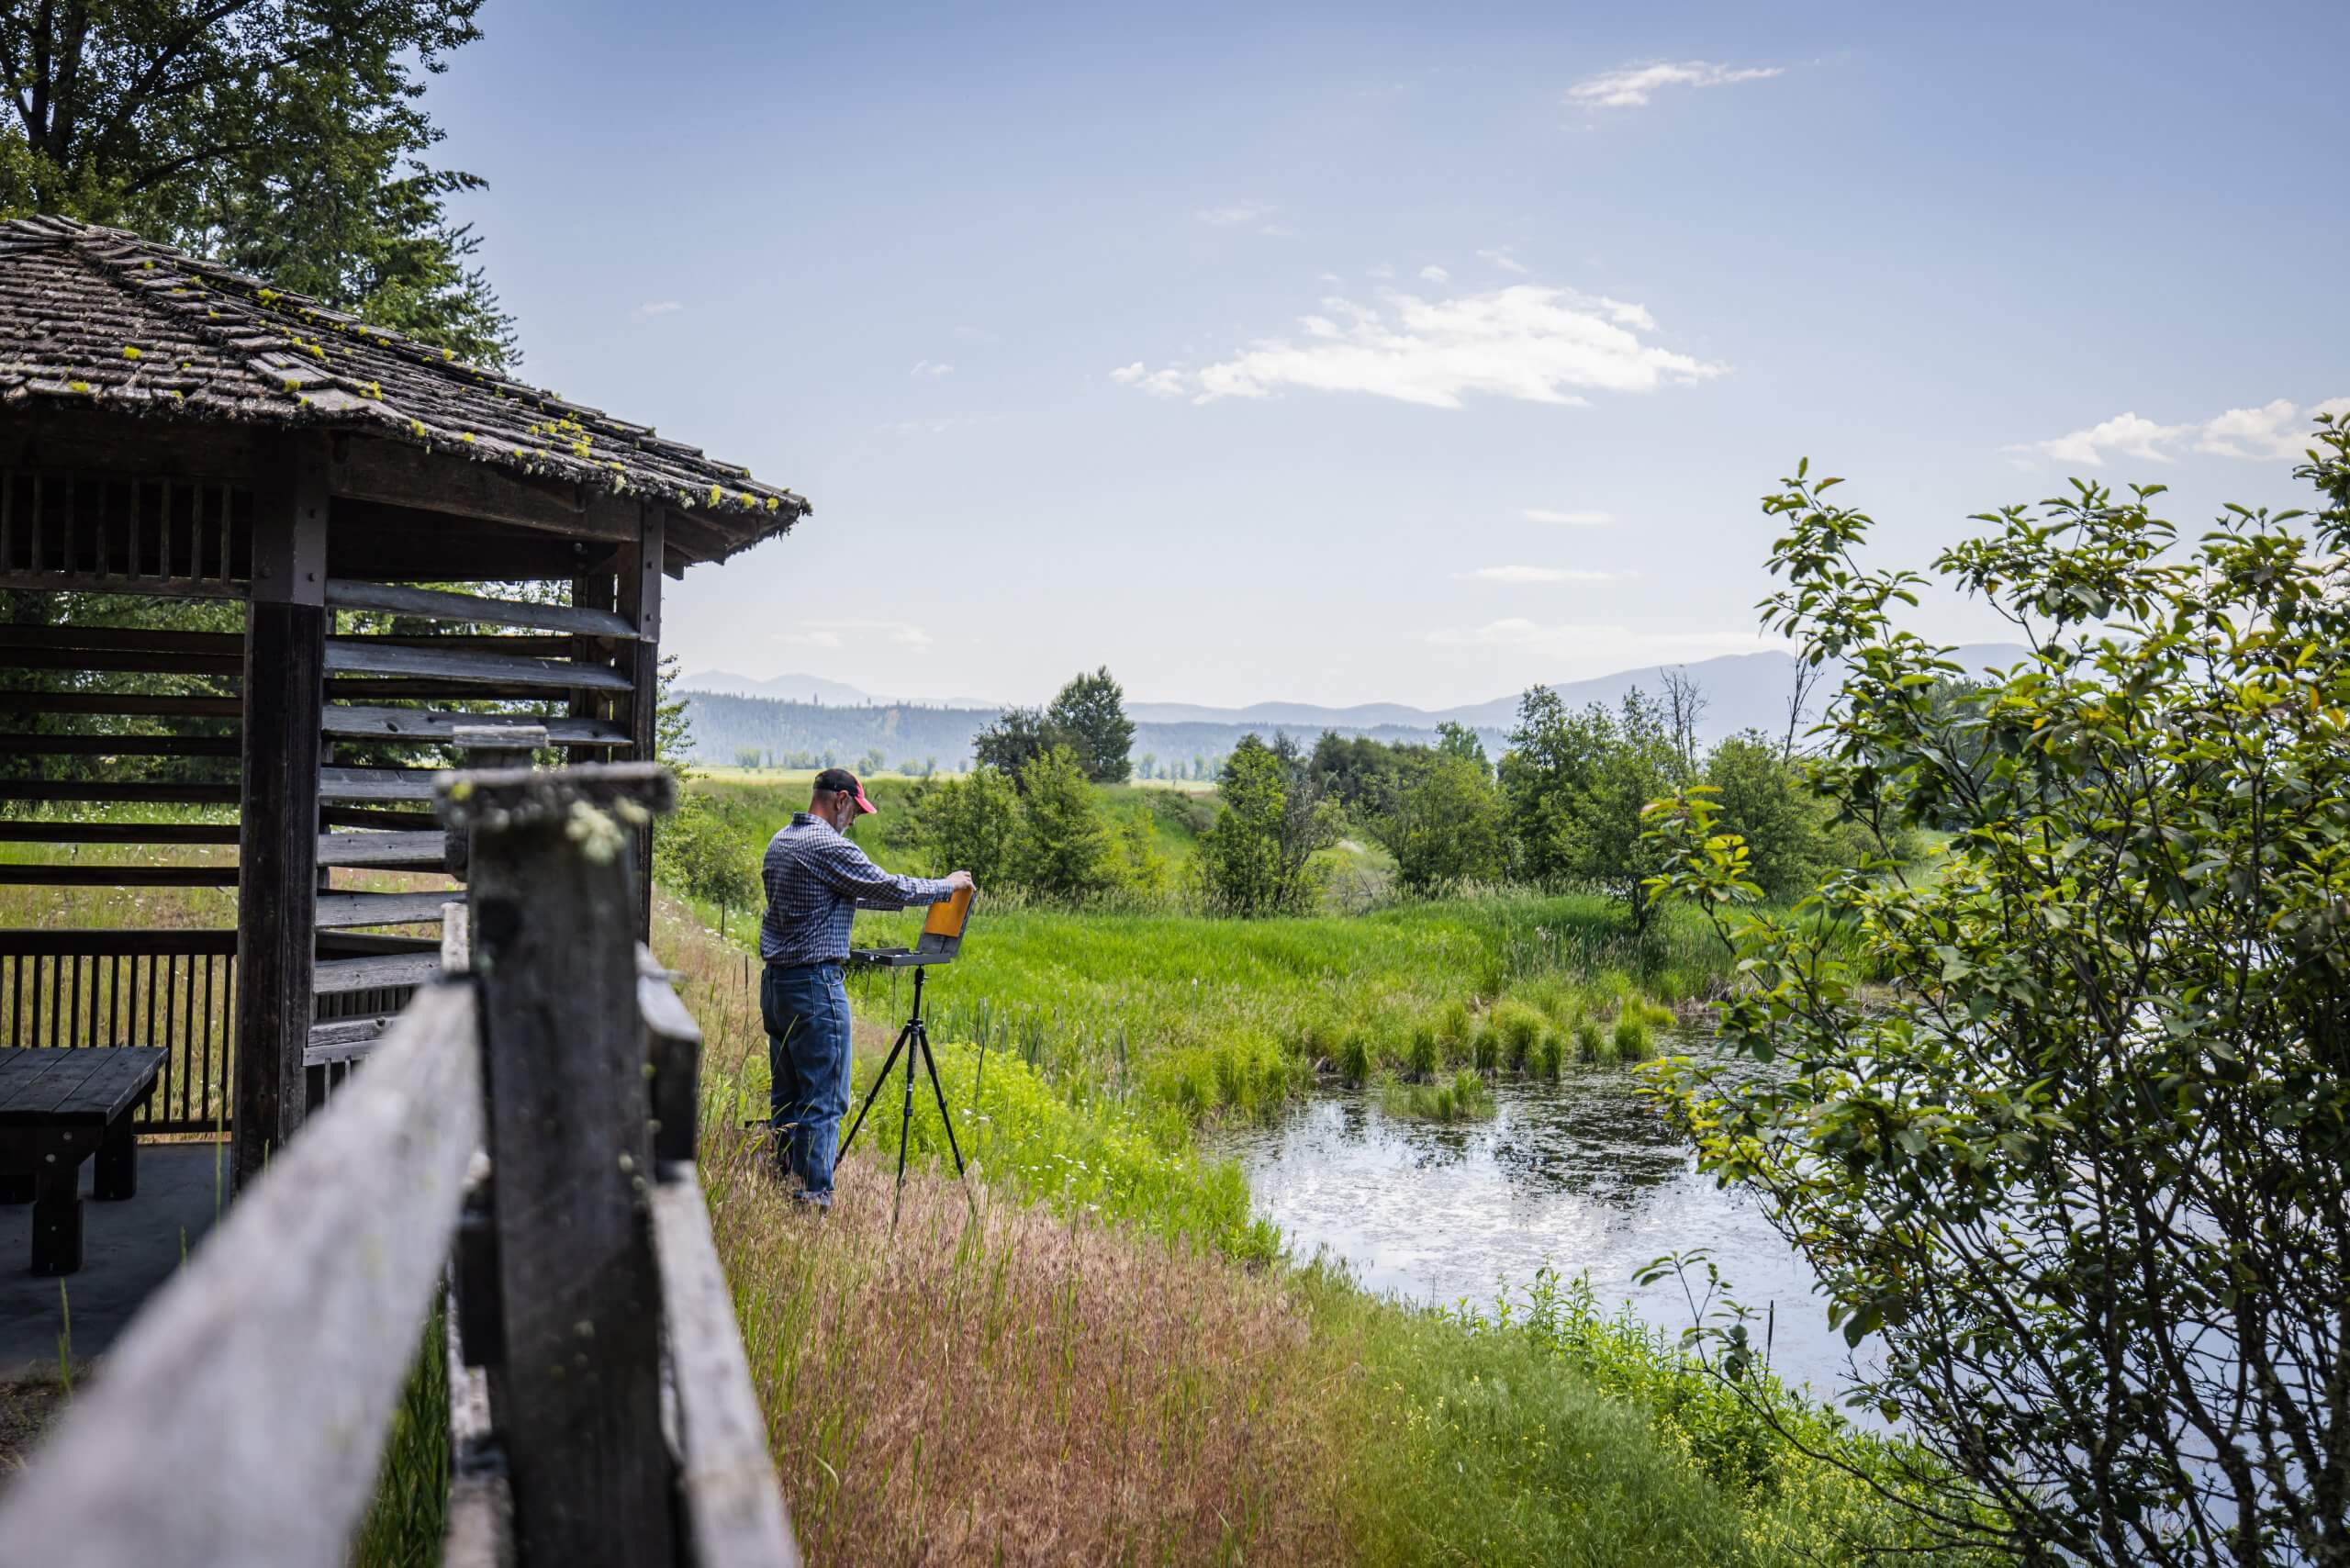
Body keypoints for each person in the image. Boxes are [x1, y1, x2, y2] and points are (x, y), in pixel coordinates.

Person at [758, 767, 973, 1206]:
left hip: (777, 985)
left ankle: (782, 1177)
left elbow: (854, 891)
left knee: (788, 1090)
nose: (854, 820)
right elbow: (888, 886)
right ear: (839, 800)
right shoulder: (827, 844)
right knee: (824, 1095)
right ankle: (814, 1195)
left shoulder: (783, 841)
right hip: (816, 985)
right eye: (855, 810)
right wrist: (945, 889)